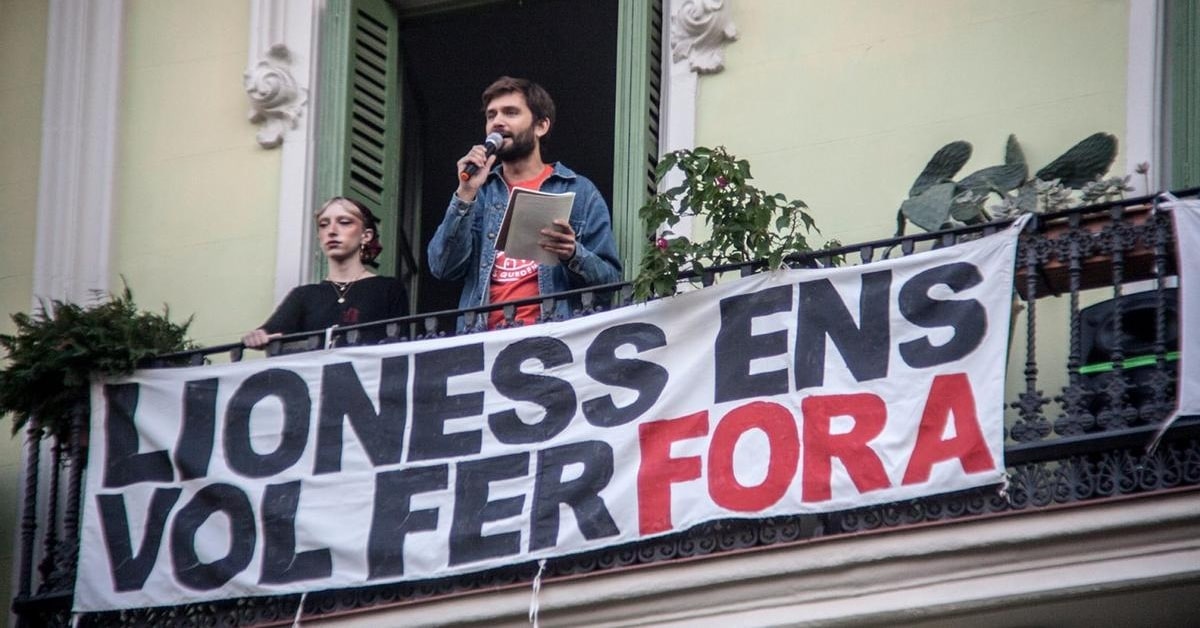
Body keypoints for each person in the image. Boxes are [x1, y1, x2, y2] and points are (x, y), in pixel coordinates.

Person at [427, 76, 621, 329]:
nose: (497, 122)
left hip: (553, 336)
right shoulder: (479, 193)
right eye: (491, 115)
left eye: (511, 112)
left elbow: (610, 284)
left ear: (541, 126)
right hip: (482, 341)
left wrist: (573, 254)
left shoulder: (579, 191)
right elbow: (442, 267)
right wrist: (465, 194)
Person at [243, 196, 409, 349]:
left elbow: (399, 346)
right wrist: (257, 336)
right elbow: (268, 332)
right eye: (324, 225)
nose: (331, 231)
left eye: (344, 222)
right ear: (319, 236)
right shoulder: (303, 296)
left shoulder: (388, 288)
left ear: (366, 236)